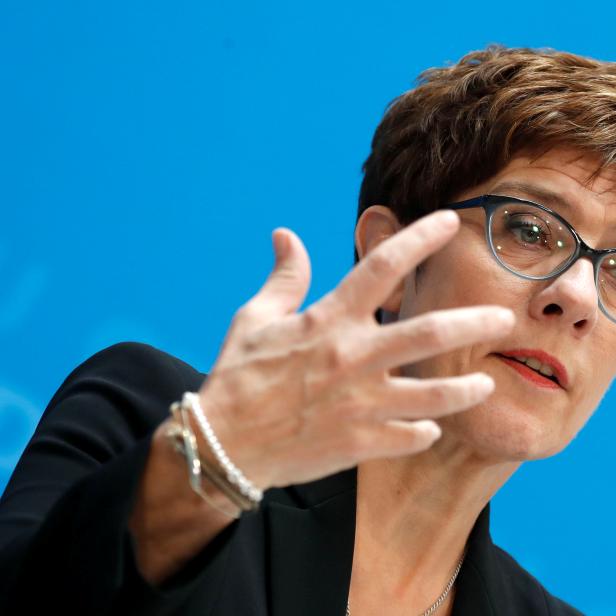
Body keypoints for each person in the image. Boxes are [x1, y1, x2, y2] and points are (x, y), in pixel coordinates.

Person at [1, 43, 612, 615]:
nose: (578, 297)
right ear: (390, 257)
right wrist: (216, 461)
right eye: (529, 230)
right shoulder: (147, 419)